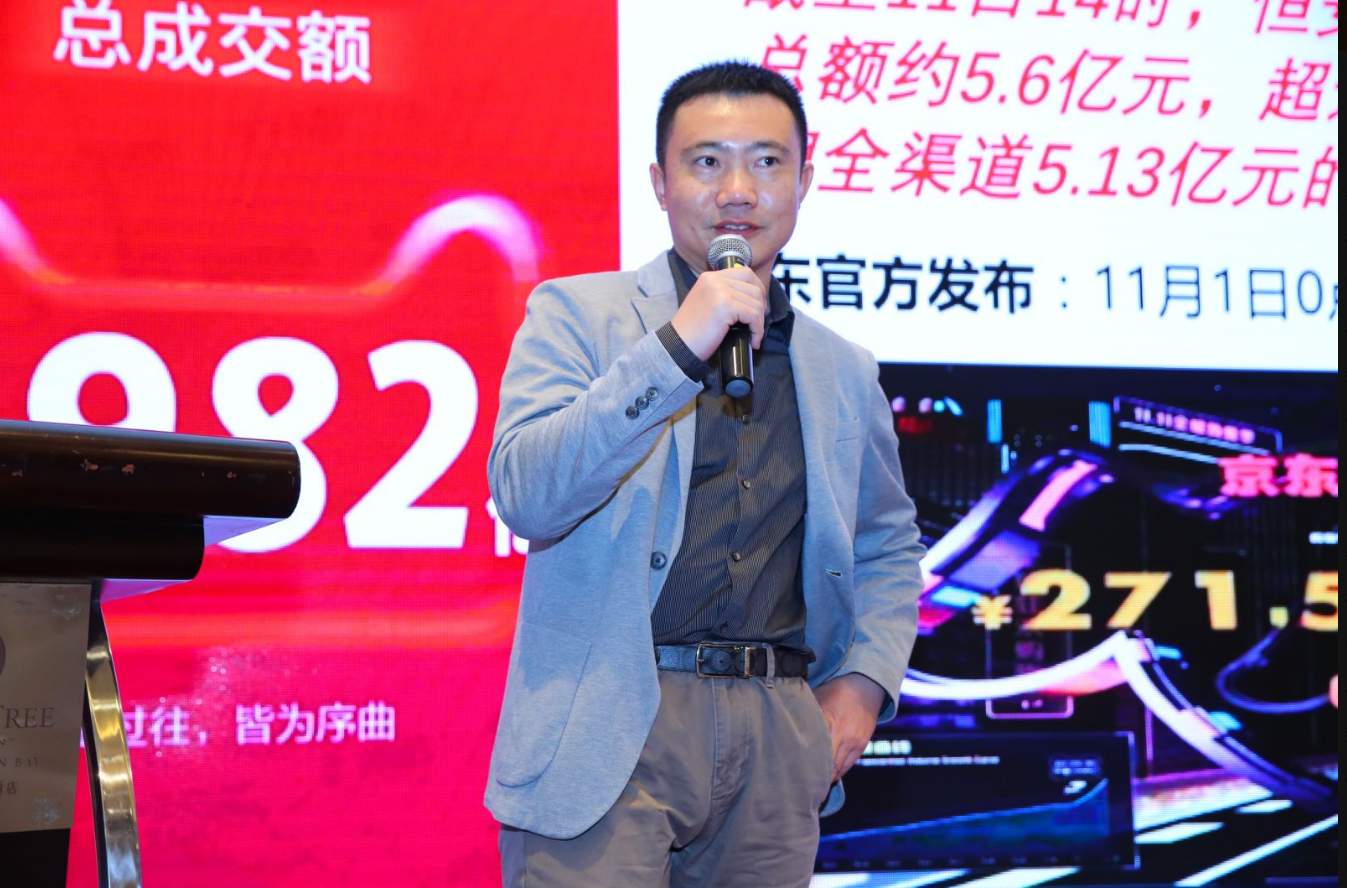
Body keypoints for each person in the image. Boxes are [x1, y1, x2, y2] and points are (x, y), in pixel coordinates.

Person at [486, 61, 924, 887]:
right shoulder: (577, 314)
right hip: (609, 720)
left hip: (777, 732)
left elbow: (887, 545)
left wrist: (863, 685)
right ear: (660, 183)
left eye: (767, 162)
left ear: (803, 180)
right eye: (707, 162)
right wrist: (675, 349)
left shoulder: (842, 367)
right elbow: (527, 495)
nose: (737, 191)